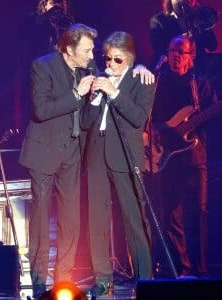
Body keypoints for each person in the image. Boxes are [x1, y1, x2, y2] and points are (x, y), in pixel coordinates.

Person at [19, 23, 154, 299]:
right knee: (72, 221)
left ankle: (140, 279)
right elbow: (64, 115)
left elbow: (137, 112)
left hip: (101, 155)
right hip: (70, 153)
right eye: (102, 56)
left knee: (109, 219)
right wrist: (86, 98)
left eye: (116, 59)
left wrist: (128, 80)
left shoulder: (125, 76)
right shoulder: (67, 70)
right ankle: (72, 281)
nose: (103, 61)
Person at [80, 31, 154, 296]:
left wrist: (114, 92)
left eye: (117, 60)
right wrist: (94, 98)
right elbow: (85, 122)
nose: (110, 64)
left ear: (131, 59)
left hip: (124, 154)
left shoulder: (141, 80)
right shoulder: (99, 80)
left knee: (134, 218)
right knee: (97, 218)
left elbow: (137, 118)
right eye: (108, 58)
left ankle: (145, 277)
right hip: (96, 152)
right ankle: (102, 278)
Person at [150, 34, 219, 277]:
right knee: (171, 216)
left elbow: (214, 113)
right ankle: (183, 270)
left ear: (191, 57)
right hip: (166, 160)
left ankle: (200, 271)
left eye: (181, 52)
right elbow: (150, 120)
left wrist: (194, 124)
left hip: (194, 158)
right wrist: (157, 134)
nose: (175, 56)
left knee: (198, 212)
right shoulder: (158, 83)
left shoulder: (200, 85)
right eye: (172, 50)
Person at [149, 0, 218, 73]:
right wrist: (181, 41)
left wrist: (202, 24)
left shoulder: (196, 15)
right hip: (173, 68)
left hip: (199, 66)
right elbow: (159, 49)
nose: (183, 3)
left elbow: (212, 46)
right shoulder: (158, 20)